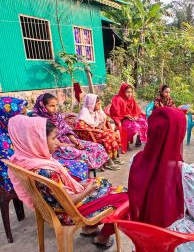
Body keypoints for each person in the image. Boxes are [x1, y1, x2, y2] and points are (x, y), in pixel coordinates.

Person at [7, 115, 128, 249]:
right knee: (126, 196)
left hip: (53, 207)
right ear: (37, 141)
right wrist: (88, 190)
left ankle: (90, 228)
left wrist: (83, 185)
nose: (58, 142)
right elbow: (69, 201)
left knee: (99, 181)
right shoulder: (45, 171)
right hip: (68, 212)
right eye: (53, 138)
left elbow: (60, 190)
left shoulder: (23, 160)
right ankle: (102, 237)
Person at [129, 107, 194, 252]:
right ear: (177, 134)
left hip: (144, 237)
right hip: (172, 241)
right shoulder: (185, 172)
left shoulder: (135, 161)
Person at [1, 96, 88, 185]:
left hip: (38, 163)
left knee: (82, 160)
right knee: (79, 166)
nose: (27, 117)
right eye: (22, 114)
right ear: (8, 117)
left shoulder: (17, 131)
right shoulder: (4, 143)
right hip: (31, 175)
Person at [33, 93, 110, 171]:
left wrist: (76, 142)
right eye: (51, 106)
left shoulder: (57, 116)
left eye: (56, 105)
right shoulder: (38, 121)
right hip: (56, 148)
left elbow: (67, 131)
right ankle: (85, 175)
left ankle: (99, 166)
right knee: (84, 155)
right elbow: (51, 143)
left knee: (98, 147)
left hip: (68, 141)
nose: (55, 109)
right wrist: (72, 145)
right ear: (42, 106)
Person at [76, 94, 122, 167]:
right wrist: (95, 130)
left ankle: (112, 157)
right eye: (98, 103)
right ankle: (108, 160)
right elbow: (81, 127)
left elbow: (103, 119)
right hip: (88, 135)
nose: (99, 105)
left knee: (112, 133)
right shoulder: (84, 112)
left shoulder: (95, 111)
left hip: (95, 132)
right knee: (108, 135)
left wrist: (100, 126)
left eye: (100, 103)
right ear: (92, 104)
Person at [110, 83, 148, 148]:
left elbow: (136, 109)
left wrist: (136, 116)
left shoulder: (131, 99)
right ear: (123, 91)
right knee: (135, 127)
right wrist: (126, 116)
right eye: (127, 92)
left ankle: (139, 139)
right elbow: (115, 112)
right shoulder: (118, 99)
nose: (130, 94)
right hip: (122, 119)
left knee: (144, 122)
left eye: (131, 92)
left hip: (132, 117)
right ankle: (126, 142)